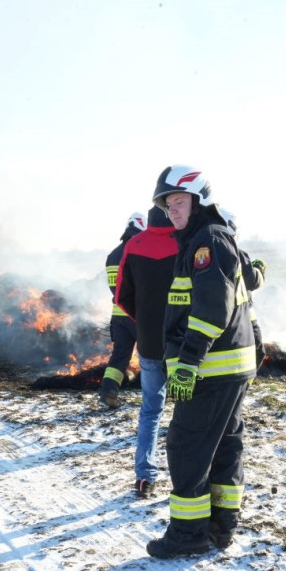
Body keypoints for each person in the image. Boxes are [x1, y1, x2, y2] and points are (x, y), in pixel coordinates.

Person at [144, 166, 257, 558]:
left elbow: (211, 310)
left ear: (199, 200)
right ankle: (220, 528)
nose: (172, 211)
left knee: (187, 446)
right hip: (228, 367)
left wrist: (189, 360)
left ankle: (187, 535)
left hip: (211, 369)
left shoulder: (207, 241)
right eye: (168, 205)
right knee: (224, 447)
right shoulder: (205, 238)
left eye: (178, 202)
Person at [114, 205, 178, 497]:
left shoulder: (134, 245)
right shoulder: (186, 242)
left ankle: (145, 477)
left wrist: (145, 323)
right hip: (184, 347)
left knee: (151, 411)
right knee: (189, 414)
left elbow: (122, 297)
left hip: (150, 344)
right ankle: (188, 480)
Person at [99, 212, 146, 408]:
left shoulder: (112, 255)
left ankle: (108, 392)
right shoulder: (140, 250)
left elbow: (115, 289)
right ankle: (162, 393)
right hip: (138, 315)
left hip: (118, 316)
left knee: (119, 356)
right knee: (153, 356)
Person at [220, 209, 268, 373]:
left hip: (219, 319)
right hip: (243, 317)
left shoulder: (198, 253)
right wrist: (259, 269)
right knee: (257, 351)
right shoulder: (237, 254)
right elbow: (253, 282)